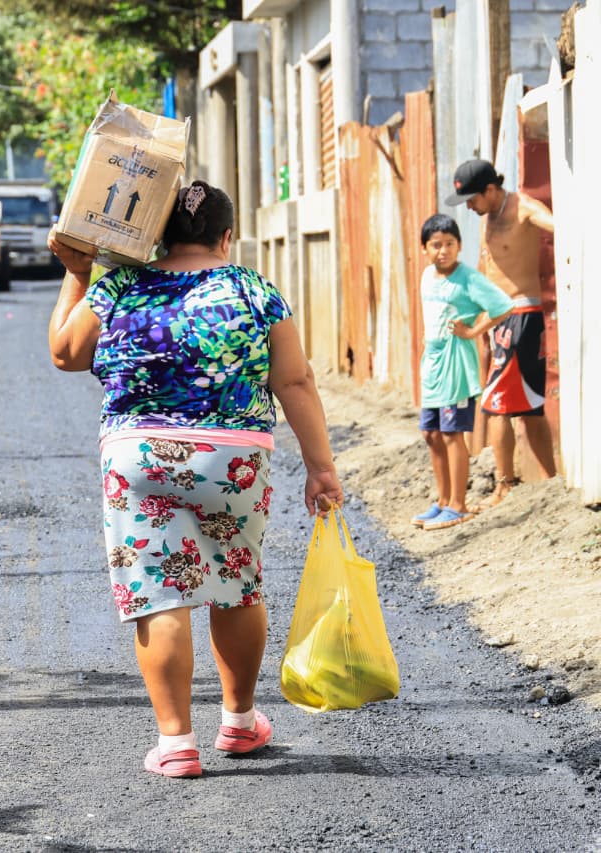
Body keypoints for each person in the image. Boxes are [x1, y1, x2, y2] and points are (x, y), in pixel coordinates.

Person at [46, 180, 343, 779]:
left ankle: (176, 742)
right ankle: (238, 723)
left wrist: (78, 273)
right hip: (229, 462)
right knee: (235, 581)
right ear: (226, 237)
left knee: (160, 593)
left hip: (140, 458)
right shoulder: (255, 290)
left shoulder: (119, 286)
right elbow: (295, 382)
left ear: (155, 235)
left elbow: (65, 353)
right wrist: (321, 466)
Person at [446, 159, 557, 506]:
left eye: (473, 199)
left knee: (497, 406)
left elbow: (559, 225)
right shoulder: (489, 218)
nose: (468, 207)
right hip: (500, 319)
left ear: (491, 190)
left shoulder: (523, 207)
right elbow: (486, 270)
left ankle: (505, 484)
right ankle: (552, 483)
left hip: (520, 314)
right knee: (529, 408)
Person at [412, 214, 514, 530]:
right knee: (430, 433)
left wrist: (472, 332)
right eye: (436, 245)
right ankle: (442, 501)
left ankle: (458, 504)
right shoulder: (428, 276)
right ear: (425, 249)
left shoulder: (468, 278)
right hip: (433, 365)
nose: (443, 251)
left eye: (450, 244)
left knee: (451, 433)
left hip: (457, 366)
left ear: (459, 246)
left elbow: (503, 306)